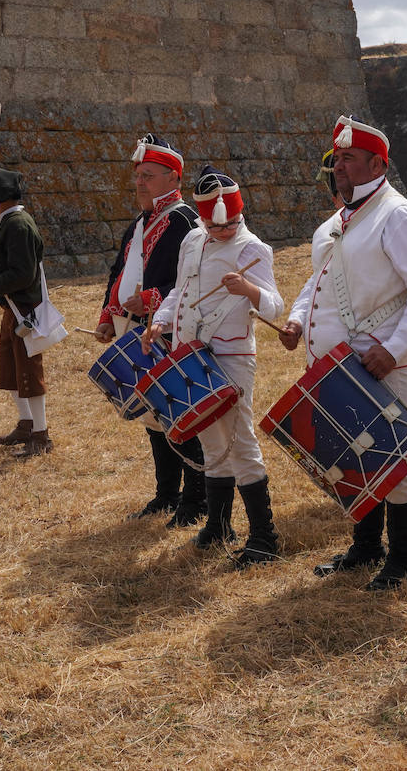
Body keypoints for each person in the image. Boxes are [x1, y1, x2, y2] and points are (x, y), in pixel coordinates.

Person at [281, 115, 407, 590]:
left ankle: (405, 557)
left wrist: (393, 350)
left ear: (378, 162)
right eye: (337, 160)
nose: (340, 168)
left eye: (350, 159)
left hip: (379, 363)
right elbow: (319, 281)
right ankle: (367, 547)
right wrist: (296, 317)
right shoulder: (338, 222)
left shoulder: (398, 215)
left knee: (394, 457)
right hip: (337, 366)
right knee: (351, 458)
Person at [144, 168, 284, 567]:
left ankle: (264, 537)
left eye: (230, 225)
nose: (222, 231)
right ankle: (219, 525)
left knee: (240, 442)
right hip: (192, 352)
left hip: (233, 356)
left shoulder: (254, 249)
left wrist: (249, 290)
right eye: (213, 225)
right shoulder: (192, 239)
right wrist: (161, 321)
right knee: (209, 442)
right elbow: (179, 291)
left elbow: (274, 305)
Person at [96, 134, 207, 524]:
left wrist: (153, 299)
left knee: (178, 411)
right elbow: (120, 272)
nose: (140, 183)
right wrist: (108, 316)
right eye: (138, 176)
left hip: (169, 328)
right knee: (153, 415)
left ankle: (198, 498)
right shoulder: (139, 224)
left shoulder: (185, 221)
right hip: (137, 329)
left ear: (174, 178)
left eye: (149, 176)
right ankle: (167, 493)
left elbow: (193, 278)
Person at [0, 168, 51, 457]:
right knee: (12, 371)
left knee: (28, 373)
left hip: (24, 310)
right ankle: (26, 424)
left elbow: (22, 274)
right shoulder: (8, 223)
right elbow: (8, 259)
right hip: (13, 310)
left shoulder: (18, 225)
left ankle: (41, 435)